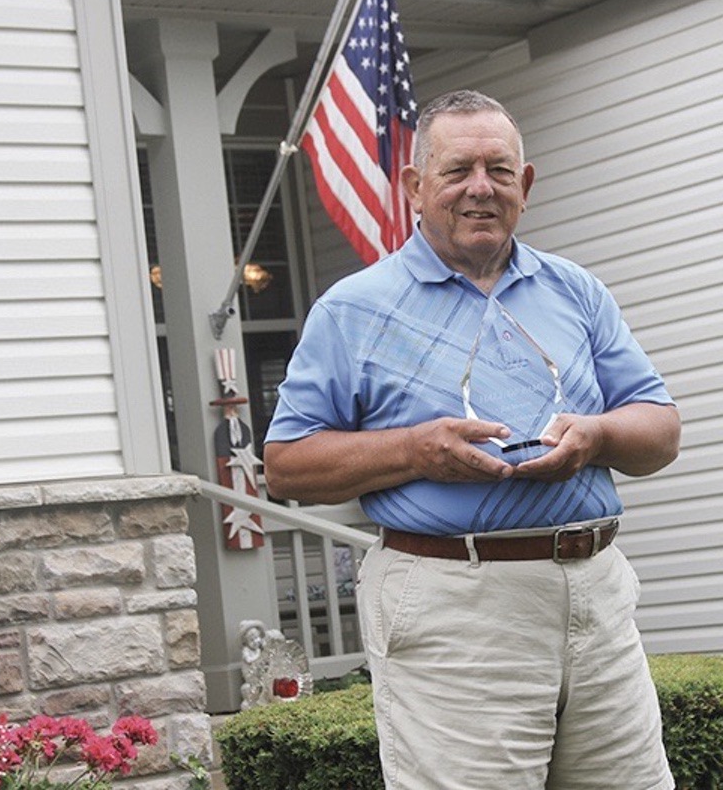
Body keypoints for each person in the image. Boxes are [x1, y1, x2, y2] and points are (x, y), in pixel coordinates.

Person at [264, 89, 680, 790]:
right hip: (456, 600)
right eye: (457, 171)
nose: (480, 188)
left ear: (528, 184)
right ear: (414, 187)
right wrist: (413, 450)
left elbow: (660, 430)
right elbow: (285, 467)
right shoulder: (354, 309)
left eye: (499, 169)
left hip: (598, 594)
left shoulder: (575, 290)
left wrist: (597, 435)